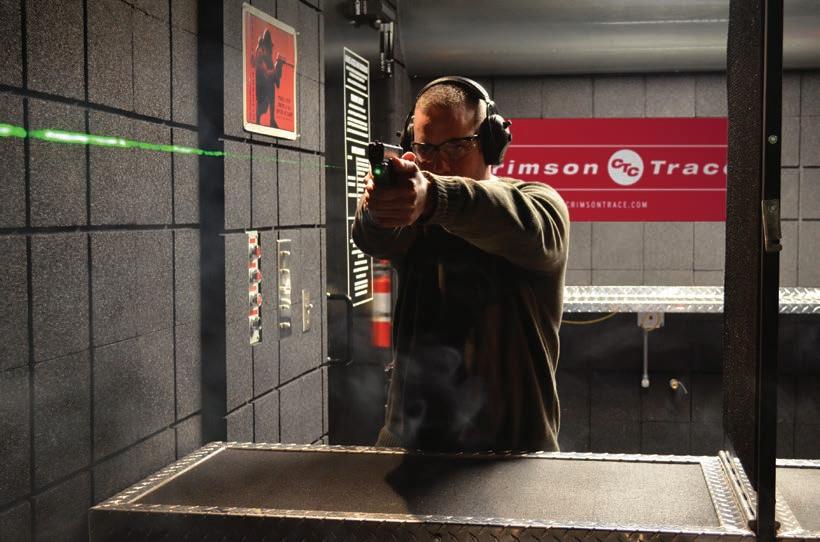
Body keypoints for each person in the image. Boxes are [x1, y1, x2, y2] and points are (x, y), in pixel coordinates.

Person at [352, 77, 570, 453]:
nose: (439, 163)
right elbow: (373, 238)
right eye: (425, 148)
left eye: (456, 146)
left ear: (490, 142)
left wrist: (434, 198)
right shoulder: (416, 217)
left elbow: (511, 221)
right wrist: (379, 206)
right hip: (411, 445)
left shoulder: (538, 202)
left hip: (513, 452)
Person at [253, 29, 285, 127]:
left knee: (271, 101)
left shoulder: (268, 57)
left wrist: (278, 65)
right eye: (268, 46)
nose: (270, 49)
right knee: (262, 106)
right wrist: (277, 66)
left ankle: (272, 120)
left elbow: (273, 73)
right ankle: (257, 120)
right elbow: (266, 72)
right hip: (262, 85)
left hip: (269, 85)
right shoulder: (261, 54)